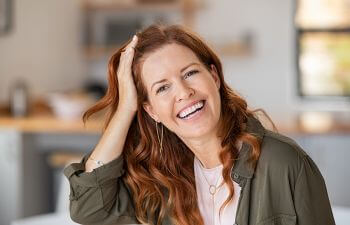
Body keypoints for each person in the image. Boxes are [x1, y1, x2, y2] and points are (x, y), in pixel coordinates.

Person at [64, 24, 335, 225]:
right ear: (151, 111)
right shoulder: (161, 182)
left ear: (214, 76)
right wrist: (125, 109)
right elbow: (88, 209)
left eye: (190, 73)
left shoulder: (284, 162)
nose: (183, 92)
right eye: (162, 88)